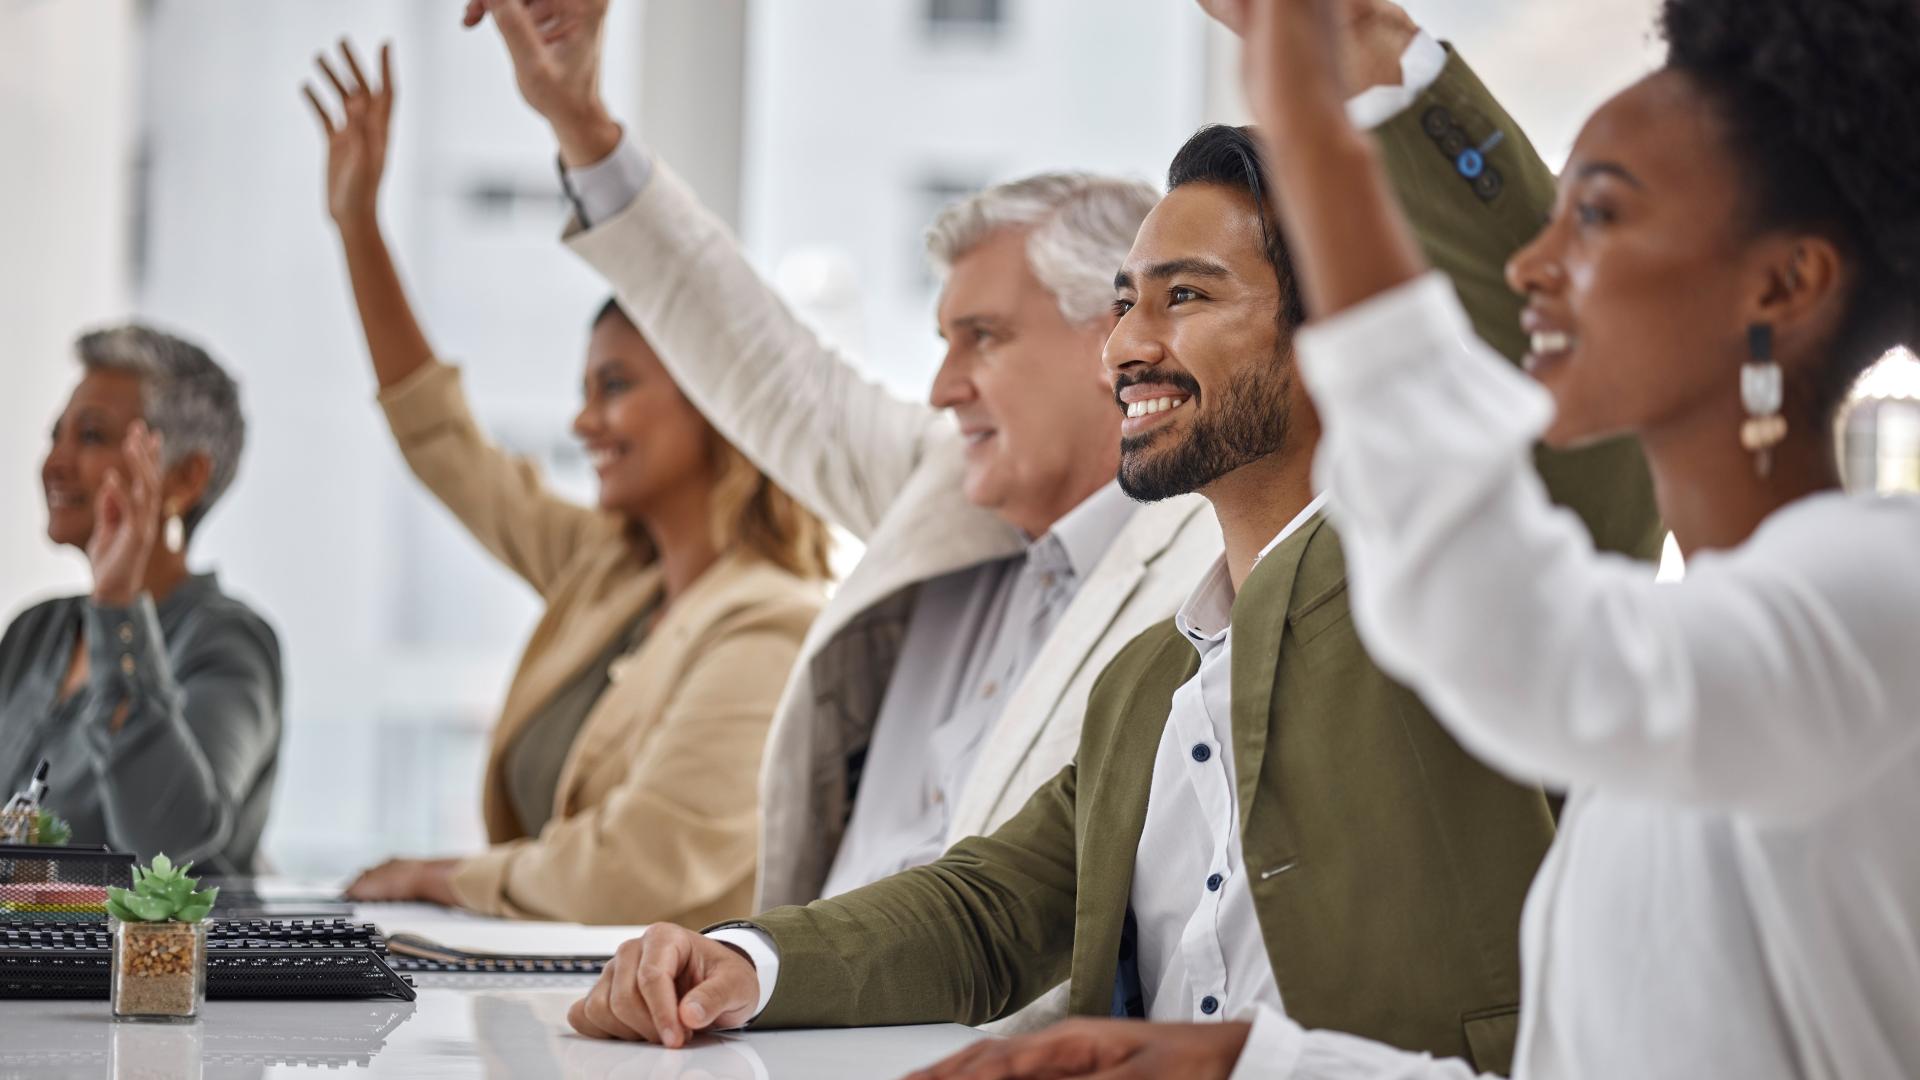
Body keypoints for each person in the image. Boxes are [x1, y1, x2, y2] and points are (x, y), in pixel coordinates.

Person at [558, 3, 1667, 1071]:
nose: (1126, 346)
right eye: (1126, 302)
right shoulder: (1148, 686)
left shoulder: (1455, 585)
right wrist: (739, 960)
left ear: (1332, 329)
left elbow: (1552, 360)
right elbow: (989, 909)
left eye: (1184, 297)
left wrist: (1370, 42)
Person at [932, 0, 1920, 1076]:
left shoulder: (1880, 595)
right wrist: (1239, 1062)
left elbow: (1511, 630)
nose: (1533, 264)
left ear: (1783, 285)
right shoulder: (1697, 690)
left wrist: (1314, 128)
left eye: (1595, 216)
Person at [465, 0, 1230, 959]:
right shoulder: (946, 488)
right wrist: (585, 129)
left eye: (982, 339)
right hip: (783, 1016)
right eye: (944, 341)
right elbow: (767, 367)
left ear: (1110, 336)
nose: (944, 387)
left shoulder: (1208, 567)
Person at [303, 42, 831, 925]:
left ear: (712, 403)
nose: (584, 423)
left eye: (614, 388)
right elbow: (443, 443)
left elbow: (630, 874)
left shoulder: (770, 624)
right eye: (584, 391)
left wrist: (446, 877)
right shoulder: (607, 571)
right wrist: (358, 226)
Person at [0, 326, 281, 875]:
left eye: (91, 437)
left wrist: (116, 606)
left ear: (185, 477)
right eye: (55, 436)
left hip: (154, 963)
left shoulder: (226, 642)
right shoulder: (35, 633)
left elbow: (167, 842)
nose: (53, 463)